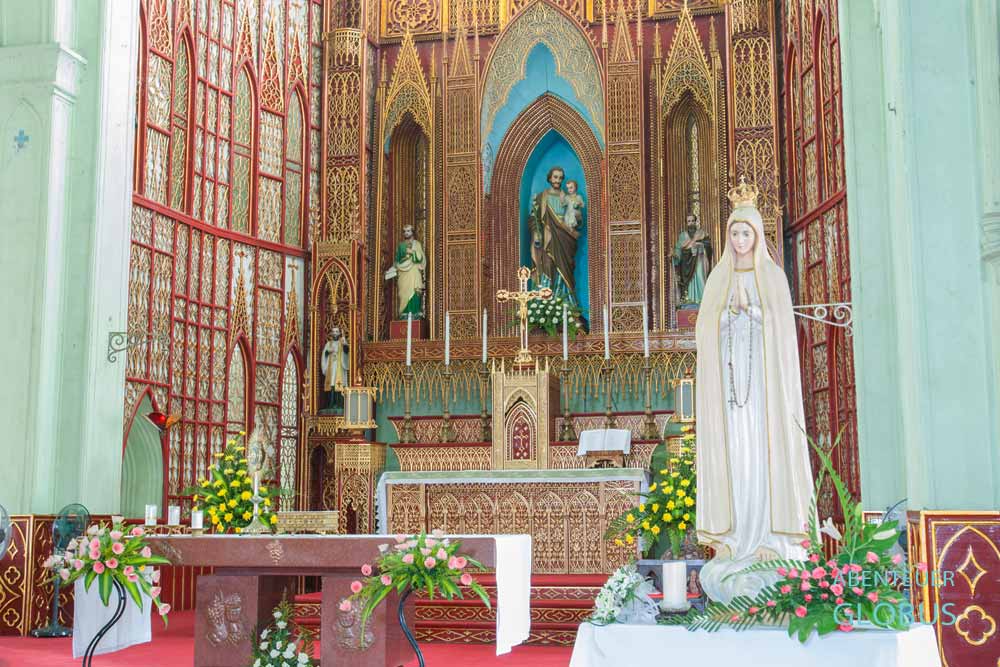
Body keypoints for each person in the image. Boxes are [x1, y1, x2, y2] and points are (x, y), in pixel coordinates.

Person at [694, 178, 814, 604]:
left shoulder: (774, 278)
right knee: (738, 462)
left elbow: (783, 335)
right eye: (735, 234)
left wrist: (757, 316)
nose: (741, 240)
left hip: (764, 397)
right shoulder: (717, 281)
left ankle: (769, 537)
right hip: (730, 399)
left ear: (758, 236)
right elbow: (705, 333)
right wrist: (728, 319)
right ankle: (736, 540)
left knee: (764, 459)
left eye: (747, 233)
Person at [528, 167, 583, 305]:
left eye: (560, 178)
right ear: (550, 178)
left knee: (565, 269)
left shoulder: (568, 198)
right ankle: (546, 303)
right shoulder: (542, 197)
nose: (558, 180)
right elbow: (533, 218)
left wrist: (577, 217)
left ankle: (566, 305)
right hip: (548, 238)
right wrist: (536, 233)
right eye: (555, 177)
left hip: (565, 238)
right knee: (547, 264)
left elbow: (578, 222)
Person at [384, 224, 425, 318]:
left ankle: (415, 312)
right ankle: (404, 312)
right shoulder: (401, 246)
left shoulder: (417, 244)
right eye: (405, 231)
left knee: (415, 290)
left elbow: (421, 258)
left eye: (408, 231)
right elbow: (397, 260)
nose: (406, 233)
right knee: (403, 293)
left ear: (412, 232)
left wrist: (413, 252)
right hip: (403, 272)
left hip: (414, 271)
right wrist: (391, 270)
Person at [673, 213, 713, 304]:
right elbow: (679, 249)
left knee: (700, 276)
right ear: (686, 223)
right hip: (687, 263)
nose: (691, 223)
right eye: (689, 221)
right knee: (690, 282)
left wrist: (700, 245)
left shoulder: (702, 233)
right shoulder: (683, 236)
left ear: (696, 222)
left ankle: (703, 301)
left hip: (700, 260)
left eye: (692, 221)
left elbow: (708, 246)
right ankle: (690, 300)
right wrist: (675, 255)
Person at [321, 326, 350, 411]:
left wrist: (345, 344)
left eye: (337, 331)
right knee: (331, 385)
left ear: (339, 333)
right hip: (331, 368)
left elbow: (346, 351)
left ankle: (339, 404)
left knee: (339, 385)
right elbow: (324, 355)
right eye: (333, 332)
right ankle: (330, 404)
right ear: (331, 333)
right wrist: (327, 352)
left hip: (339, 368)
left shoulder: (342, 342)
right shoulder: (328, 344)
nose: (335, 333)